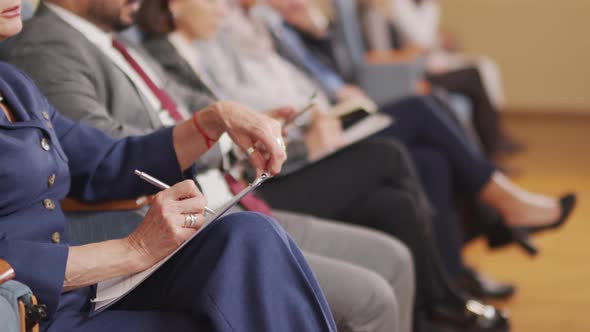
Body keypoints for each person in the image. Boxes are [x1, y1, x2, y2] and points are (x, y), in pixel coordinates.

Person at [0, 1, 417, 332]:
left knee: (247, 235)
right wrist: (133, 250)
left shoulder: (13, 83)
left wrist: (213, 120)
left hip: (76, 295)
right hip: (31, 309)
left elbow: (108, 161)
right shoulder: (39, 53)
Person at [141, 0, 576, 299]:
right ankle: (496, 211)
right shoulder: (193, 47)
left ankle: (449, 290)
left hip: (302, 130)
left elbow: (289, 86)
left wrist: (312, 92)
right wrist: (294, 126)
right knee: (415, 121)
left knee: (427, 162)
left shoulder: (235, 32)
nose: (221, 6)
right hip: (275, 160)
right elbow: (224, 122)